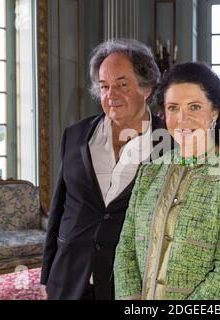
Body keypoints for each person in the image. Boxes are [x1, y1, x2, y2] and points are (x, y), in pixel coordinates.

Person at [114, 62, 220, 300]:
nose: (182, 118)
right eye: (173, 108)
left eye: (194, 107)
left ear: (214, 112)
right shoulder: (149, 171)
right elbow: (126, 249)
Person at [40, 39, 168, 300]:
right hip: (69, 278)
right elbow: (60, 208)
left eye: (122, 84)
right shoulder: (75, 136)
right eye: (104, 86)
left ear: (146, 88)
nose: (111, 95)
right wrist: (46, 275)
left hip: (129, 286)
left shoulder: (171, 145)